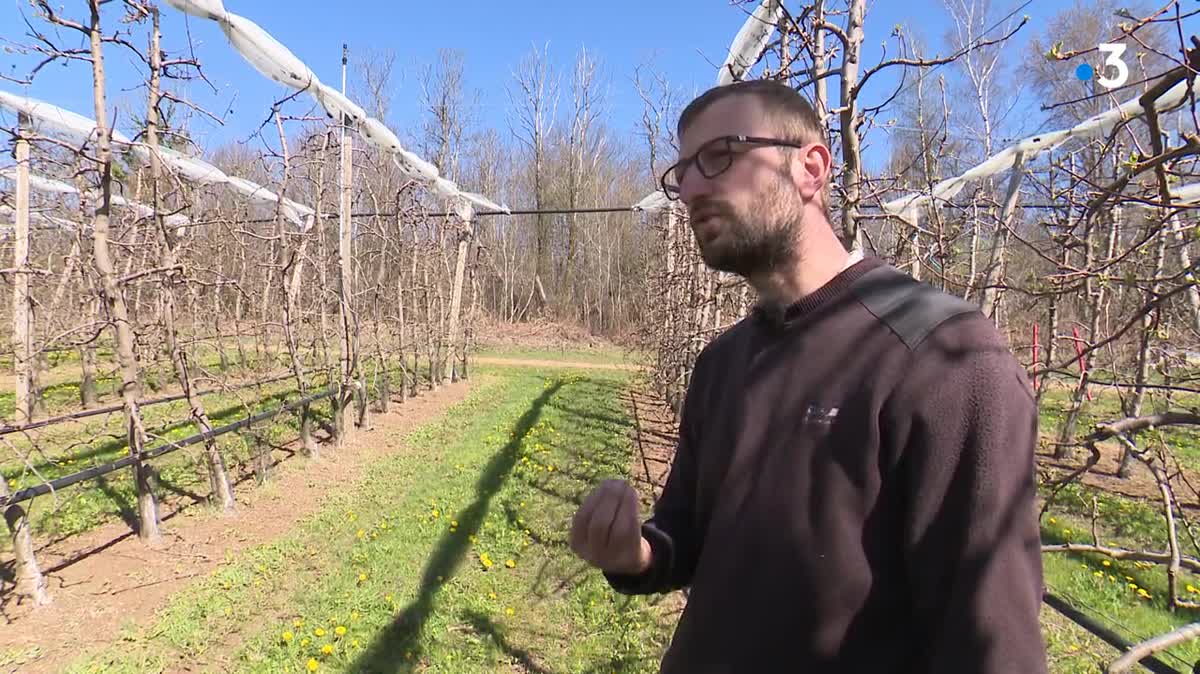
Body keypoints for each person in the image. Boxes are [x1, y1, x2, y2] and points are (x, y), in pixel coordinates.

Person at [568, 79, 1047, 673]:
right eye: (682, 171)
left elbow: (988, 642)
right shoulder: (724, 362)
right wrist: (636, 553)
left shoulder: (943, 357)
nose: (689, 187)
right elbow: (684, 536)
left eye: (719, 156)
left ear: (810, 169)